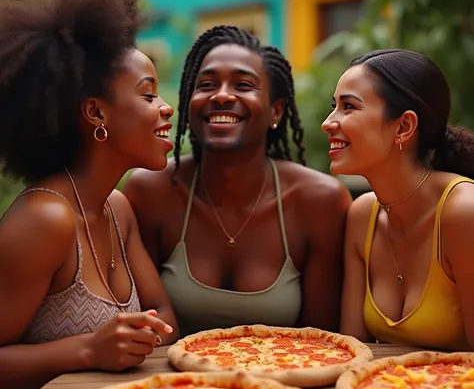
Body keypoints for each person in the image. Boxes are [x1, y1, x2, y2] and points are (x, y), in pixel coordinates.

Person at [0, 0, 205, 389]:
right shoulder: (45, 220)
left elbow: (163, 314)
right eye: (147, 94)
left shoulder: (117, 209)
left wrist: (144, 335)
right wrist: (89, 350)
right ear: (95, 114)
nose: (167, 109)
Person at [317, 48, 474, 389]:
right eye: (333, 106)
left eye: (348, 106)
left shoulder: (463, 213)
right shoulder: (361, 215)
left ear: (403, 127)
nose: (328, 122)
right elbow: (349, 357)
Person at [125, 25, 351, 339]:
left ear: (276, 111)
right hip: (173, 382)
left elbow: (322, 341)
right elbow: (142, 323)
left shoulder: (319, 201)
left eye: (244, 85)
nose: (221, 95)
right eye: (206, 84)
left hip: (287, 382)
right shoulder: (152, 191)